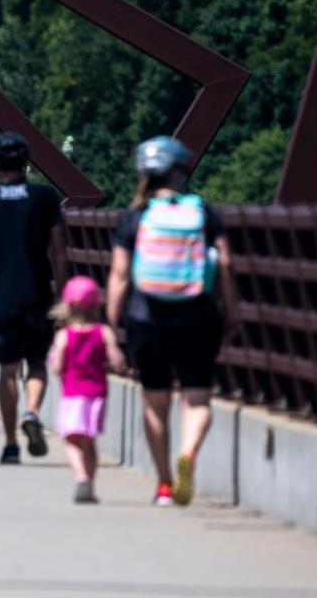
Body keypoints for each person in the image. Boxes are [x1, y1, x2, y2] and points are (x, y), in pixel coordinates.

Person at [107, 135, 239, 507]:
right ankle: (189, 452)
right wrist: (232, 310)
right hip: (198, 315)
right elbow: (225, 263)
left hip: (145, 317)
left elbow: (118, 274)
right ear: (180, 171)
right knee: (196, 398)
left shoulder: (134, 216)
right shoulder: (202, 212)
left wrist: (112, 322)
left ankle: (164, 484)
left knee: (155, 401)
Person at [0, 132, 68, 464]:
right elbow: (58, 250)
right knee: (38, 363)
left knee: (8, 370)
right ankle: (33, 413)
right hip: (38, 295)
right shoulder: (45, 198)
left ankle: (11, 444)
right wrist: (63, 292)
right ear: (25, 163)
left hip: (2, 298)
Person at [48, 276, 125, 503]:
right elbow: (117, 360)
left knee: (72, 441)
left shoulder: (64, 336)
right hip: (97, 394)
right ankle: (90, 484)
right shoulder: (104, 333)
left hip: (72, 395)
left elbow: (57, 367)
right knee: (90, 442)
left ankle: (80, 477)